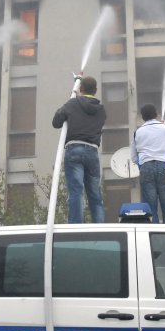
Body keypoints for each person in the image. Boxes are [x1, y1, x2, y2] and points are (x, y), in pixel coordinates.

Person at [52, 76, 106, 223]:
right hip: (92, 152)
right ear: (95, 91)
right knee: (95, 193)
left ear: (80, 89)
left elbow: (56, 122)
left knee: (76, 191)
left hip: (74, 149)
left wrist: (70, 101)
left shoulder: (72, 104)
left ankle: (76, 225)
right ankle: (100, 226)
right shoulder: (101, 110)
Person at [130, 104, 165, 224]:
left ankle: (153, 234)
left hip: (146, 168)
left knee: (150, 206)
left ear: (143, 117)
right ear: (156, 114)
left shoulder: (137, 132)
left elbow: (134, 158)